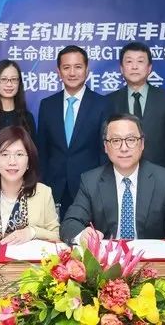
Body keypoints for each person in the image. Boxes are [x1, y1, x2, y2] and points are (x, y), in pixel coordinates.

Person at [60, 114, 165, 253]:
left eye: (131, 139)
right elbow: (70, 223)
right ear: (106, 146)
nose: (124, 148)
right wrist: (82, 235)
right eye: (116, 140)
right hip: (106, 262)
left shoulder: (163, 179)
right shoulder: (91, 181)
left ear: (142, 143)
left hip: (149, 260)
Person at [37, 45, 109, 219]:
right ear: (58, 72)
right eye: (66, 67)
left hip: (90, 187)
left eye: (78, 67)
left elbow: (105, 152)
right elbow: (42, 151)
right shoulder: (47, 105)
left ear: (87, 70)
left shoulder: (102, 104)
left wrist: (102, 186)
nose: (72, 73)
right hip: (54, 188)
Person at [107, 42, 165, 176]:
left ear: (149, 68)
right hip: (119, 175)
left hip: (158, 176)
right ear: (121, 68)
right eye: (129, 61)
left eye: (140, 61)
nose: (134, 67)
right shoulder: (109, 101)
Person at [0, 59, 35, 144]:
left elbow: (32, 150)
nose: (9, 84)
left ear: (19, 83)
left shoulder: (27, 118)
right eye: (4, 79)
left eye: (14, 79)